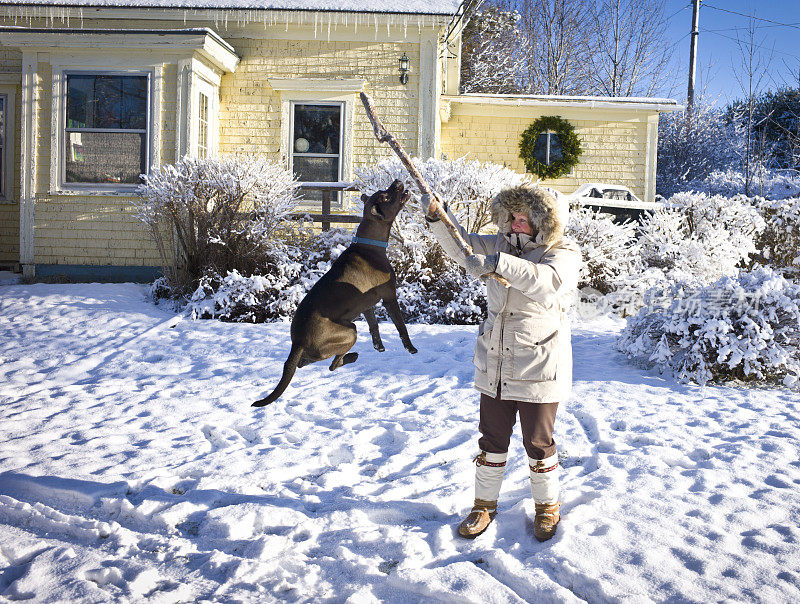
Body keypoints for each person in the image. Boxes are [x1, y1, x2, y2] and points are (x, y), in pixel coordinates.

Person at [420, 184, 580, 541]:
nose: (517, 224)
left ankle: (547, 507)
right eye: (512, 217)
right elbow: (462, 247)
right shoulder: (499, 244)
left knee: (538, 442)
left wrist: (498, 263)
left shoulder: (562, 251)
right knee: (491, 439)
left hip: (539, 362)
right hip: (496, 361)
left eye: (525, 219)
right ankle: (483, 506)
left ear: (544, 222)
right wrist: (437, 216)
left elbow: (547, 283)